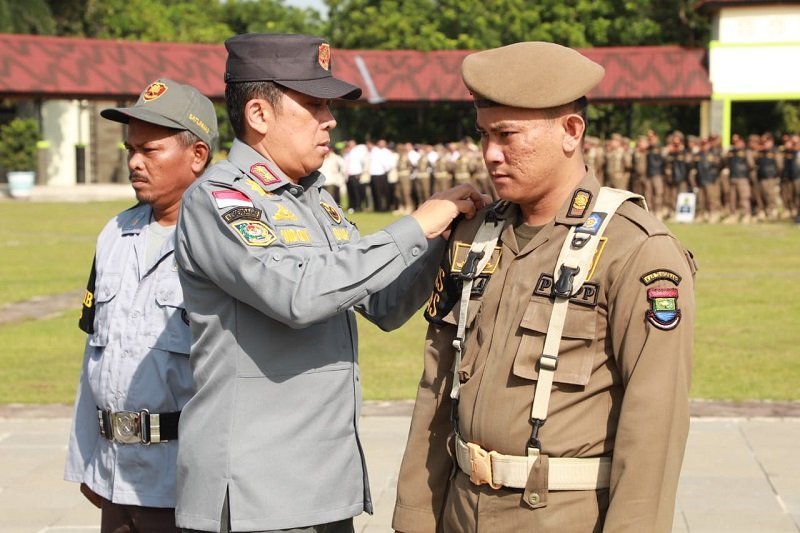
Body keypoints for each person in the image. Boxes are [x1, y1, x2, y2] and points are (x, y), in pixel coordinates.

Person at [173, 33, 485, 533]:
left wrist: (438, 241)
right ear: (258, 115)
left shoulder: (316, 199)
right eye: (315, 104)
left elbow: (383, 305)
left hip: (320, 485)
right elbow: (296, 296)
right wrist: (415, 226)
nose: (330, 120)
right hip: (258, 493)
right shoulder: (220, 199)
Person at [393, 41, 697, 533]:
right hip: (460, 510)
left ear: (571, 131)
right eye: (484, 135)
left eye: (508, 135)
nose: (491, 154)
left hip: (561, 517)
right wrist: (414, 517)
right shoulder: (474, 235)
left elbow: (654, 428)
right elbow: (437, 386)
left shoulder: (636, 249)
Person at [64, 79, 218, 533]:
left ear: (197, 156)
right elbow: (94, 356)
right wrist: (86, 457)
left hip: (184, 484)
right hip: (114, 474)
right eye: (132, 149)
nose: (134, 162)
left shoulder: (221, 241)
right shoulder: (114, 233)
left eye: (150, 150)